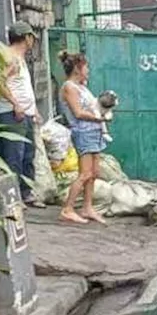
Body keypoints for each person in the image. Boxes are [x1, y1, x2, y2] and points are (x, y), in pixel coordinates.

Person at [0, 21, 45, 207]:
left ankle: (26, 193)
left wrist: (34, 111)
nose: (33, 42)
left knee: (27, 155)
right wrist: (15, 104)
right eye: (32, 38)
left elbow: (24, 87)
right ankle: (13, 197)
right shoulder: (11, 58)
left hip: (25, 113)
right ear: (27, 38)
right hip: (13, 114)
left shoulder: (20, 58)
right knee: (14, 155)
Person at [58, 51, 108, 226]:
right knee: (85, 173)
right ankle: (68, 209)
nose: (88, 70)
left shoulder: (82, 86)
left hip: (94, 132)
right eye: (86, 67)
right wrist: (98, 118)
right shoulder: (69, 87)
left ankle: (87, 207)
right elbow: (78, 113)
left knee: (94, 173)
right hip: (83, 132)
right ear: (78, 68)